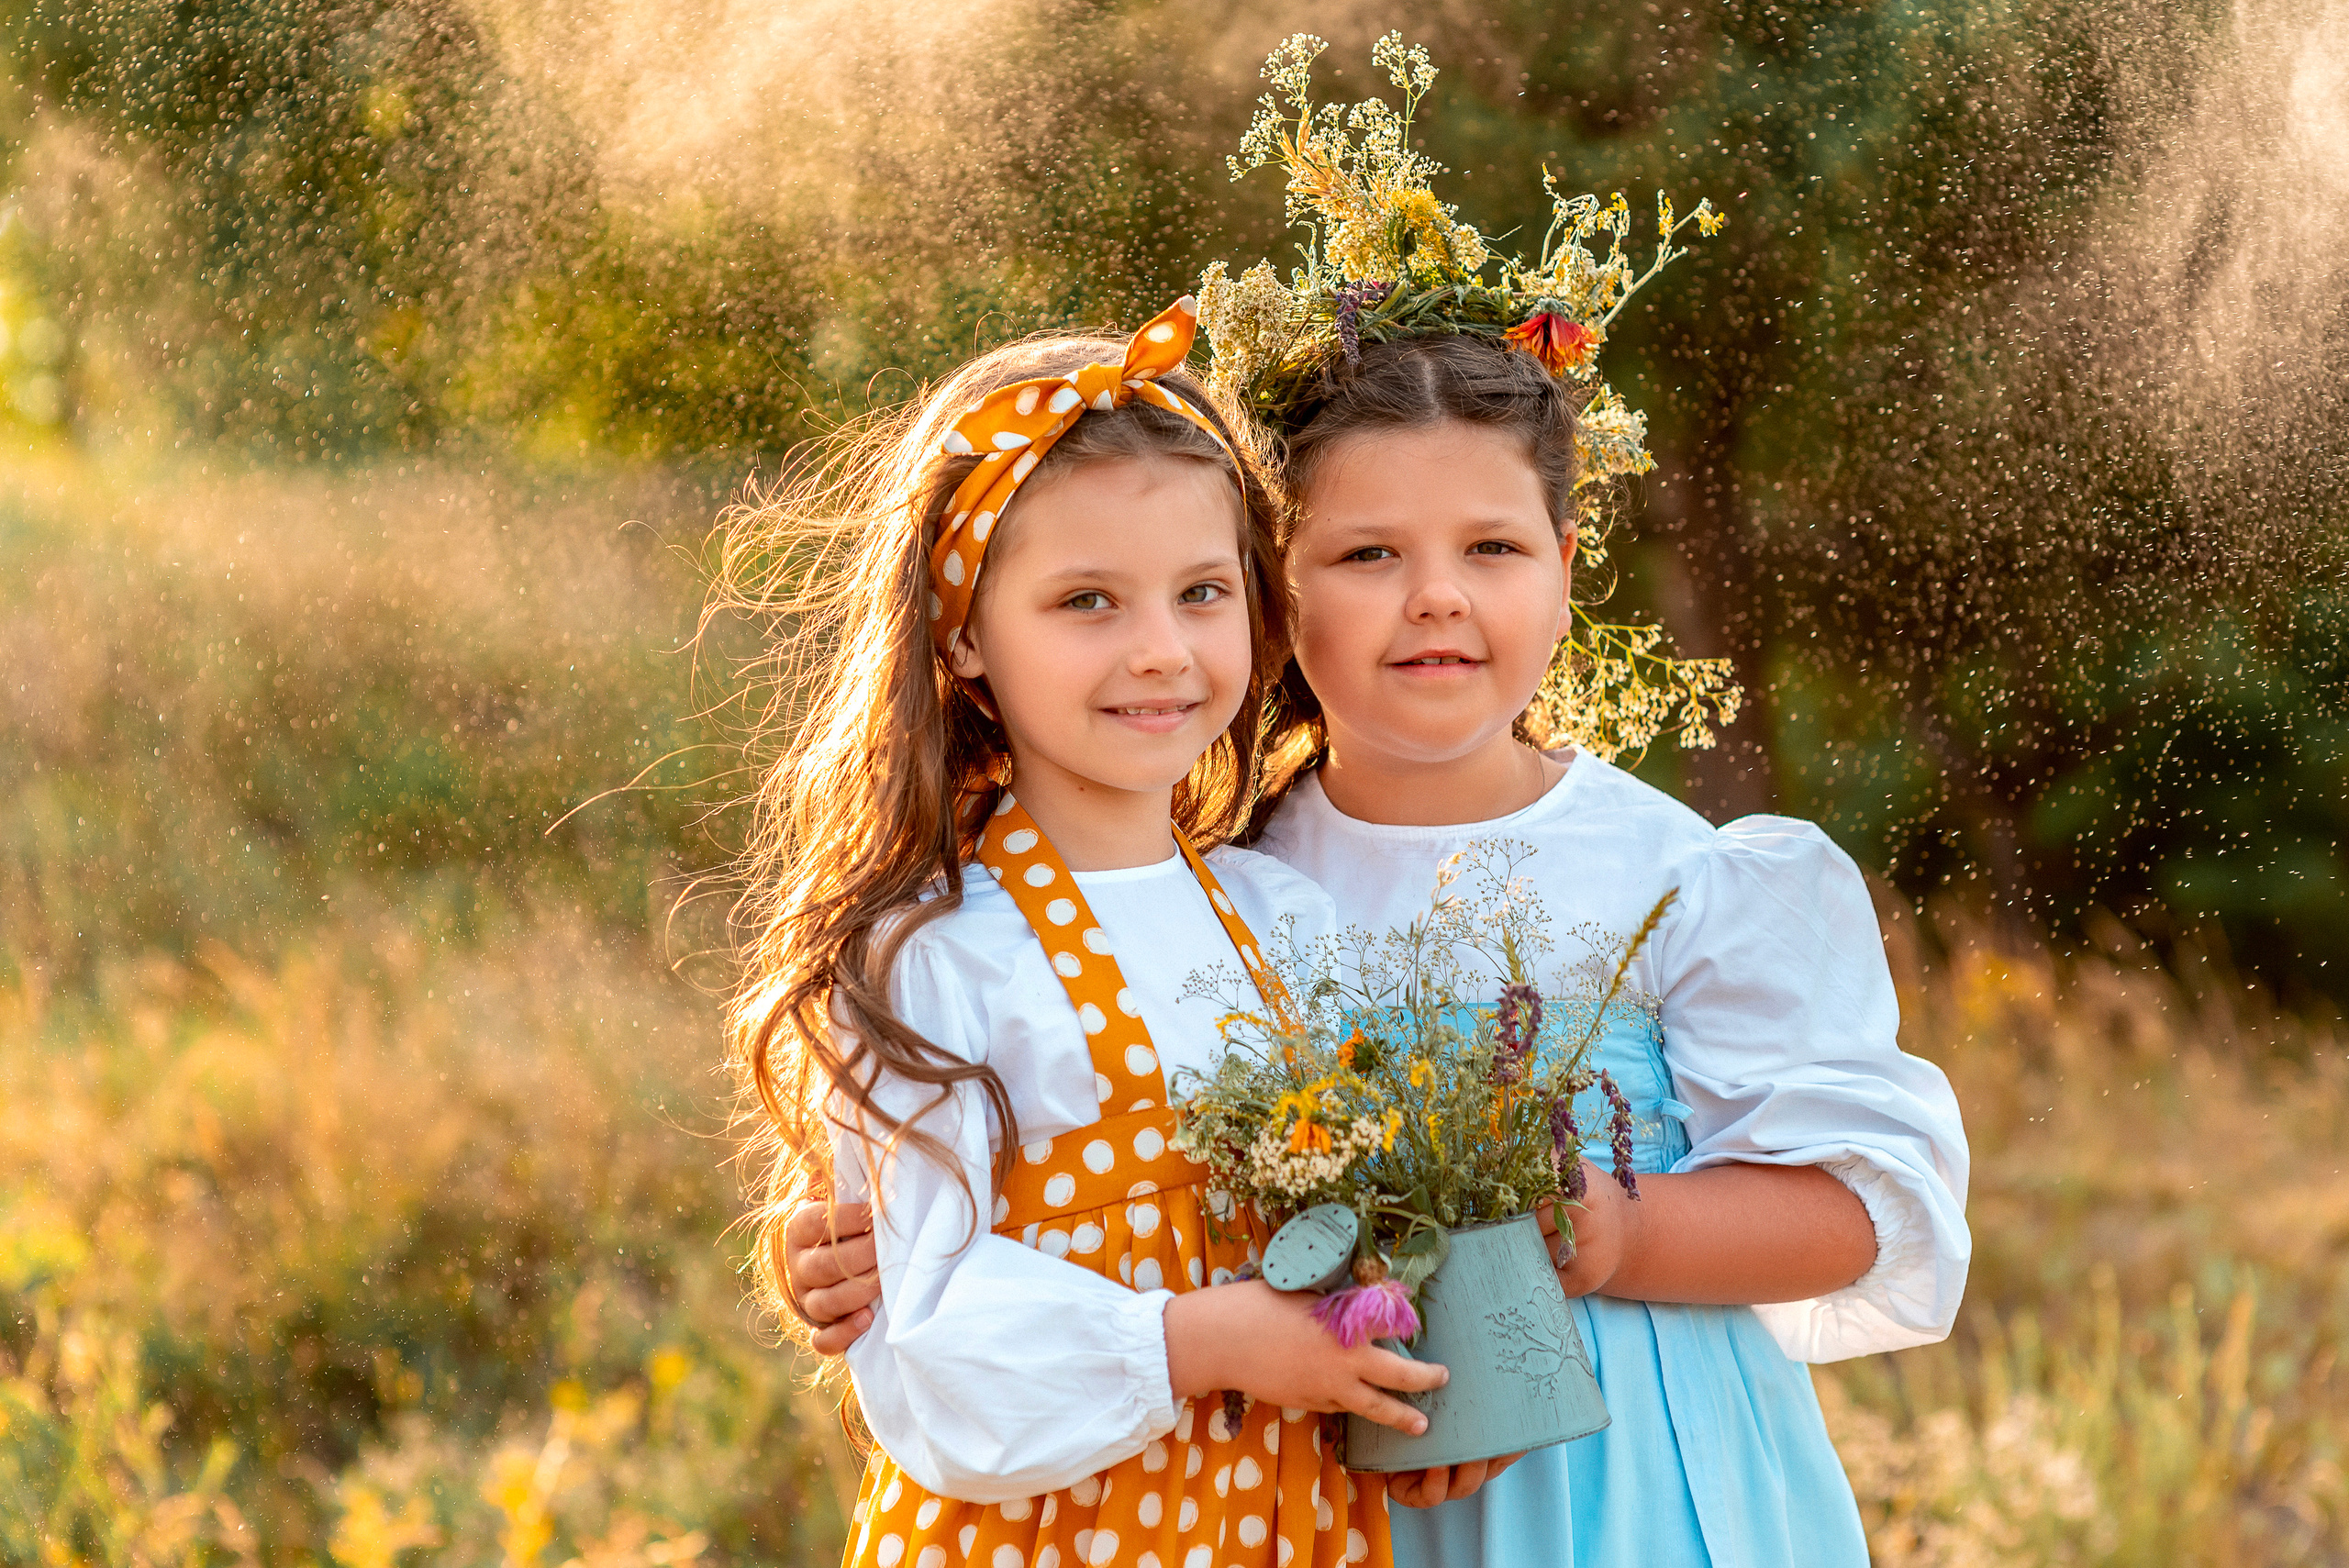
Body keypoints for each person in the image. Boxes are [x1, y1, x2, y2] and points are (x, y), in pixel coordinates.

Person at [774, 35, 1968, 1561]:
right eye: (1362, 556)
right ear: (1279, 591)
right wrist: (853, 1237)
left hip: (1626, 1484)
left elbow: (1878, 1209)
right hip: (1327, 1488)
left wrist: (1626, 1230)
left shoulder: (1675, 873)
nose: (1433, 605)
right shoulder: (1251, 881)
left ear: (1566, 566)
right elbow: (1038, 1177)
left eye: (1492, 550)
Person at [725, 298, 1444, 1568]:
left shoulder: (1285, 917)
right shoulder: (940, 955)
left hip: (1286, 1518)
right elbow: (934, 1338)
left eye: (1201, 591)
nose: (1160, 650)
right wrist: (1202, 1339)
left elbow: (1367, 1209)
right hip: (1058, 1530)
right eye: (1088, 601)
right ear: (963, 640)